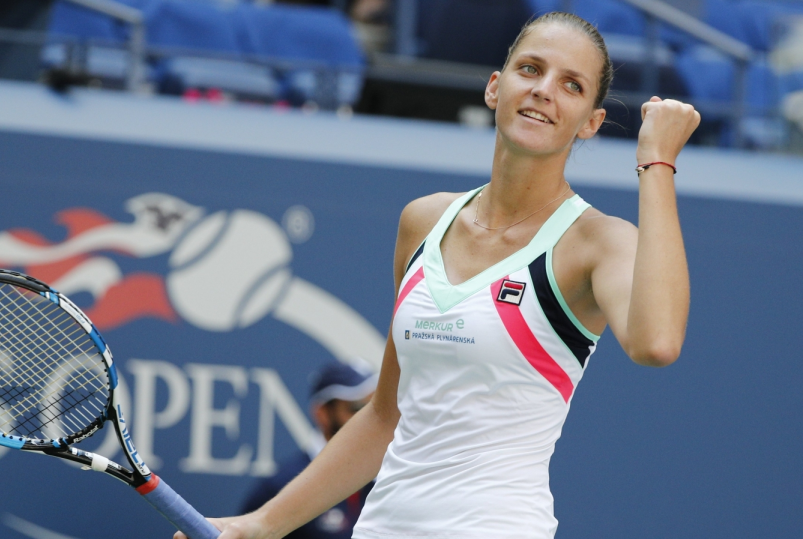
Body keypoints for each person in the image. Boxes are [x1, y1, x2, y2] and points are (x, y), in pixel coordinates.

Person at [177, 11, 700, 539]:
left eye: (571, 84)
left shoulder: (597, 240)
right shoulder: (423, 220)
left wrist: (657, 163)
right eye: (530, 69)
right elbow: (385, 416)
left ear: (590, 121)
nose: (544, 90)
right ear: (496, 87)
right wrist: (260, 524)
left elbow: (656, 342)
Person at [239, 361, 377, 539]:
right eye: (356, 408)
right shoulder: (279, 486)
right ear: (322, 413)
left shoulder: (390, 478)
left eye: (375, 407)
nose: (370, 418)